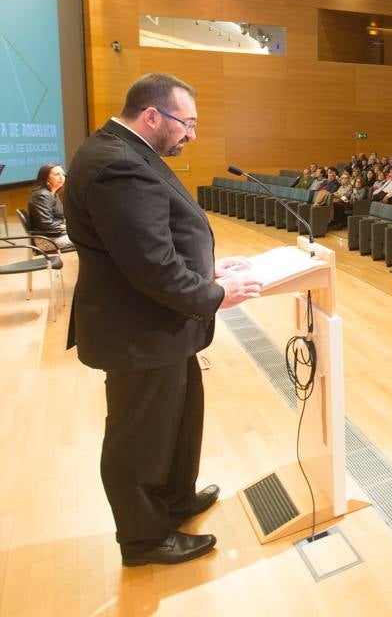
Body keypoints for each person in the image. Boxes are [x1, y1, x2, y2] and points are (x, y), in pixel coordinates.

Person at [65, 73, 262, 567]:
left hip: (161, 328)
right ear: (152, 116)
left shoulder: (126, 153)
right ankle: (144, 538)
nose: (191, 134)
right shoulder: (117, 165)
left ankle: (174, 500)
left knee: (177, 421)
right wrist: (214, 294)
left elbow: (147, 241)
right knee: (139, 440)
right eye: (186, 123)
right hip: (141, 329)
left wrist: (205, 267)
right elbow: (149, 264)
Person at [27, 162, 73, 249]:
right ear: (46, 178)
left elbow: (60, 217)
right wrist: (68, 227)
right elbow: (46, 224)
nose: (61, 177)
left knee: (88, 235)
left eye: (63, 174)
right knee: (88, 239)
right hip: (47, 240)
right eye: (57, 174)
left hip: (55, 235)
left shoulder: (52, 193)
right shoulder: (42, 195)